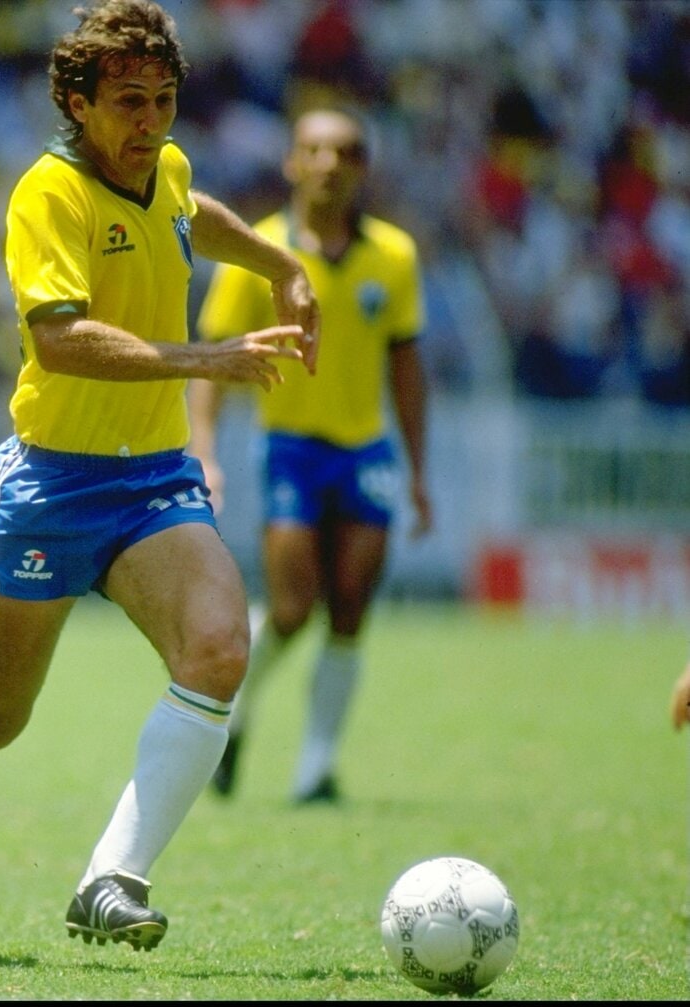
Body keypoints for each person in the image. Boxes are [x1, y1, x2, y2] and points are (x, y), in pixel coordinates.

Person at [0, 0, 319, 952]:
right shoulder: (46, 195)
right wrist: (202, 357)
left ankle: (111, 878)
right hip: (54, 483)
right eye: (128, 103)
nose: (151, 123)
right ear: (76, 101)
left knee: (220, 647)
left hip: (153, 480)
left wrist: (280, 261)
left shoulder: (169, 169)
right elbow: (59, 341)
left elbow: (197, 215)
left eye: (165, 100)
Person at [190, 106, 430, 804]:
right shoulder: (254, 252)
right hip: (289, 448)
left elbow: (408, 367)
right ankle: (235, 718)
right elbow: (212, 360)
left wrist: (418, 471)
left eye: (346, 150)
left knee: (351, 607)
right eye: (315, 150)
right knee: (293, 607)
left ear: (362, 168)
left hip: (366, 450)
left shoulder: (395, 256)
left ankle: (316, 768)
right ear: (293, 163)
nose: (329, 162)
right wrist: (204, 450)